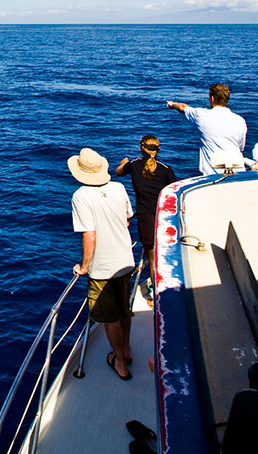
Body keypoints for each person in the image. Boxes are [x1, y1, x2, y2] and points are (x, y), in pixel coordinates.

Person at [69, 147, 139, 380]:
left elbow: (89, 234)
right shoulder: (118, 188)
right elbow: (129, 218)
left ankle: (120, 361)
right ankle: (127, 350)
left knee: (110, 317)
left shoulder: (81, 196)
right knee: (123, 310)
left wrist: (84, 266)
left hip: (103, 267)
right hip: (125, 260)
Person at [115, 135, 177, 283]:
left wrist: (124, 163)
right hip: (165, 215)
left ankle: (155, 294)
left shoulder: (134, 165)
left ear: (142, 148)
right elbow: (175, 191)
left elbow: (118, 172)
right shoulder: (166, 169)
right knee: (165, 254)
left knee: (152, 256)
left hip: (146, 217)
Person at [166, 83, 247, 175]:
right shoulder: (240, 120)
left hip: (213, 174)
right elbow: (241, 147)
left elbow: (183, 107)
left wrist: (172, 105)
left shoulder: (201, 115)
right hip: (238, 173)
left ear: (212, 98)